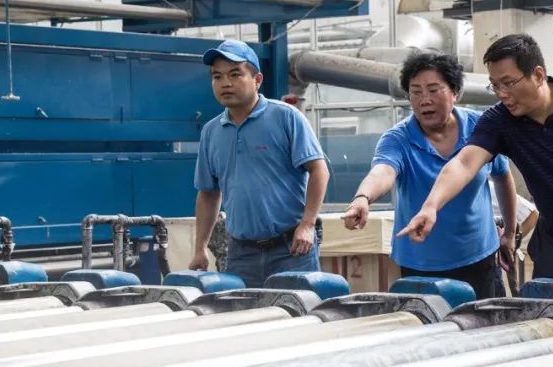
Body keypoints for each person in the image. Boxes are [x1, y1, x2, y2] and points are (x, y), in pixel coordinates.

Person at [399, 33, 553, 310]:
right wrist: (431, 206)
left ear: (538, 75)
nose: (502, 94)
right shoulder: (500, 120)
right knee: (552, 319)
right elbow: (464, 163)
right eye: (495, 86)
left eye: (509, 83)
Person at [341, 52, 517, 300]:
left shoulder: (480, 128)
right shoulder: (398, 138)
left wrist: (509, 232)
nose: (425, 100)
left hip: (477, 256)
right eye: (416, 92)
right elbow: (383, 170)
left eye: (434, 90)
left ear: (455, 92)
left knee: (483, 321)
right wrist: (363, 197)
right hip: (420, 262)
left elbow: (502, 176)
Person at [190, 40, 329, 287]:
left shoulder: (286, 117)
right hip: (241, 253)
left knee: (297, 310)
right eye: (217, 76)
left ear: (257, 80)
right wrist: (200, 248)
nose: (225, 83)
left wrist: (307, 225)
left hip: (291, 249)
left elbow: (319, 170)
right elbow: (208, 193)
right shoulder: (211, 132)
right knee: (242, 311)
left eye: (235, 74)